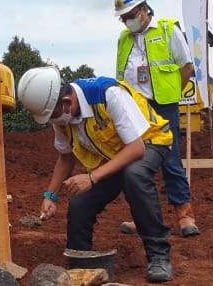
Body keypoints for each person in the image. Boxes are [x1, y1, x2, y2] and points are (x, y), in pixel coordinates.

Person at [17, 66, 175, 283]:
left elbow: (136, 149)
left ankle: (158, 255)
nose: (53, 121)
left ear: (66, 101)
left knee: (134, 175)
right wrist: (50, 196)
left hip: (150, 141)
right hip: (116, 155)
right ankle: (79, 261)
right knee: (80, 203)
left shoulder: (107, 95)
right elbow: (66, 157)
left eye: (52, 115)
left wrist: (92, 177)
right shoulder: (61, 117)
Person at [113, 0, 200, 238]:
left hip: (163, 108)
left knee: (170, 160)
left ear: (143, 9)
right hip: (136, 111)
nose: (126, 20)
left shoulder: (167, 30)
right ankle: (143, 217)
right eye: (123, 17)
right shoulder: (123, 39)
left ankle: (185, 216)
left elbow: (186, 68)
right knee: (138, 163)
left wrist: (171, 94)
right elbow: (120, 78)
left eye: (130, 14)